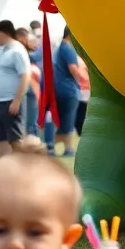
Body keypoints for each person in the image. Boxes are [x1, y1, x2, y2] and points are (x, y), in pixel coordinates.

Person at [0, 20, 30, 156]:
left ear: (5, 33)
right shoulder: (1, 50)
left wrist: (17, 100)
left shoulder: (17, 51)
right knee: (0, 138)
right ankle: (3, 169)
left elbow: (25, 76)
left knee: (15, 139)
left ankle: (25, 168)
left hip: (11, 101)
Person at [51, 26, 82, 157]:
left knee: (64, 120)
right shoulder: (68, 49)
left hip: (59, 88)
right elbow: (73, 69)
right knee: (68, 120)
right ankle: (62, 147)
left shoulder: (60, 48)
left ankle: (55, 146)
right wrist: (83, 79)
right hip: (69, 90)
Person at [16, 28, 41, 137]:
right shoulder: (16, 50)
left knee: (32, 115)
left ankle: (32, 137)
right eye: (25, 38)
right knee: (25, 116)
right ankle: (27, 138)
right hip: (23, 85)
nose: (26, 40)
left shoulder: (27, 50)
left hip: (32, 85)